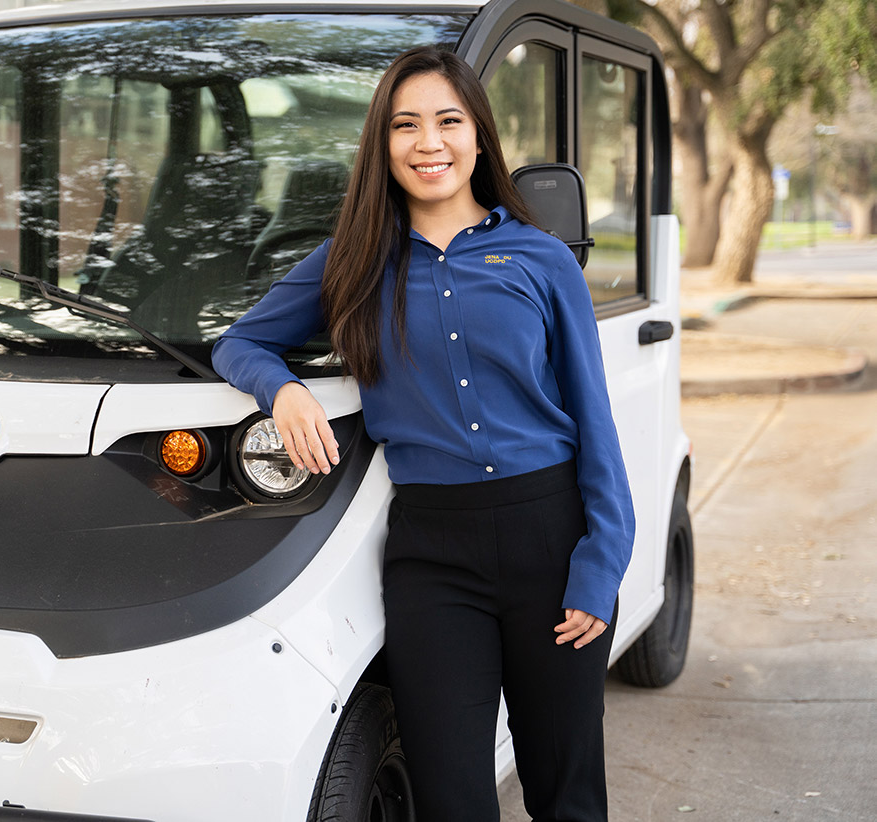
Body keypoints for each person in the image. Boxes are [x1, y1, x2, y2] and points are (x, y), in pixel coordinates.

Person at [211, 45, 634, 821]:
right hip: (433, 558)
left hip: (551, 540)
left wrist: (601, 564)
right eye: (406, 125)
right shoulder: (352, 262)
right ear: (384, 144)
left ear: (478, 136)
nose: (428, 142)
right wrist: (286, 392)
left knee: (566, 792)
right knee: (450, 796)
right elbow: (239, 343)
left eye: (447, 121)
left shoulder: (541, 260)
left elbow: (595, 424)